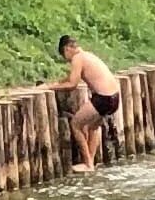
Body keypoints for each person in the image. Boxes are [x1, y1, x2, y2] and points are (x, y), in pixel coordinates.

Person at [43, 35, 121, 171]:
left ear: (67, 49)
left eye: (64, 55)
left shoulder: (77, 58)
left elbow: (73, 84)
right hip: (114, 98)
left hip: (103, 98)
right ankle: (90, 161)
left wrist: (50, 87)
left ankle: (88, 163)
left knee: (76, 124)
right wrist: (57, 82)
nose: (66, 60)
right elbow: (71, 77)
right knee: (93, 127)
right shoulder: (87, 55)